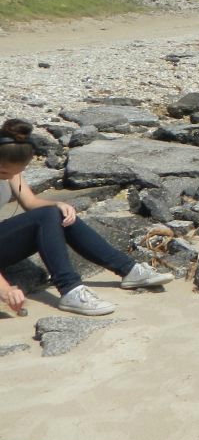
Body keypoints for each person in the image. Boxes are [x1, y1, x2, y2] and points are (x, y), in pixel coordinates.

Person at [0, 118, 172, 316]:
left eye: (16, 172)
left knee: (56, 213)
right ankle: (70, 289)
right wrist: (5, 289)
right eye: (4, 172)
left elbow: (30, 202)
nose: (7, 177)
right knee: (47, 216)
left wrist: (58, 204)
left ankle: (128, 269)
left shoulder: (9, 163)